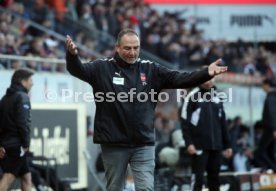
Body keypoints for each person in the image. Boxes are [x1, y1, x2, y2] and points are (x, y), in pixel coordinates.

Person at [65, 28, 227, 191]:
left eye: (136, 48)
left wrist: (206, 73)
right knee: (115, 188)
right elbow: (77, 70)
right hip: (113, 143)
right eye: (128, 48)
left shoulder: (151, 70)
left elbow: (180, 78)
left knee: (146, 188)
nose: (132, 52)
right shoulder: (102, 68)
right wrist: (72, 56)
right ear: (117, 48)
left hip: (143, 142)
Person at [180, 75, 232, 191]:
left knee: (214, 179)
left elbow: (223, 122)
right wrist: (188, 143)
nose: (208, 81)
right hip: (198, 145)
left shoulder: (218, 96)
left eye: (211, 78)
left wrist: (227, 144)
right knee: (197, 179)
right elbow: (184, 121)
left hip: (216, 146)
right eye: (205, 77)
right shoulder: (192, 96)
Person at [0, 68, 34, 191]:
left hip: (7, 145)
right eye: (30, 80)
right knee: (8, 177)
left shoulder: (4, 98)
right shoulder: (23, 97)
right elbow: (22, 123)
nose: (32, 83)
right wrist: (26, 143)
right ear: (23, 82)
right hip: (17, 146)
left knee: (26, 177)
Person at [254, 78, 276, 172]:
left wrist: (274, 129)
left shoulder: (270, 96)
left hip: (270, 129)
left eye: (262, 85)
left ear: (267, 84)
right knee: (270, 152)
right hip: (272, 129)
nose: (262, 88)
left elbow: (271, 113)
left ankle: (273, 169)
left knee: (260, 153)